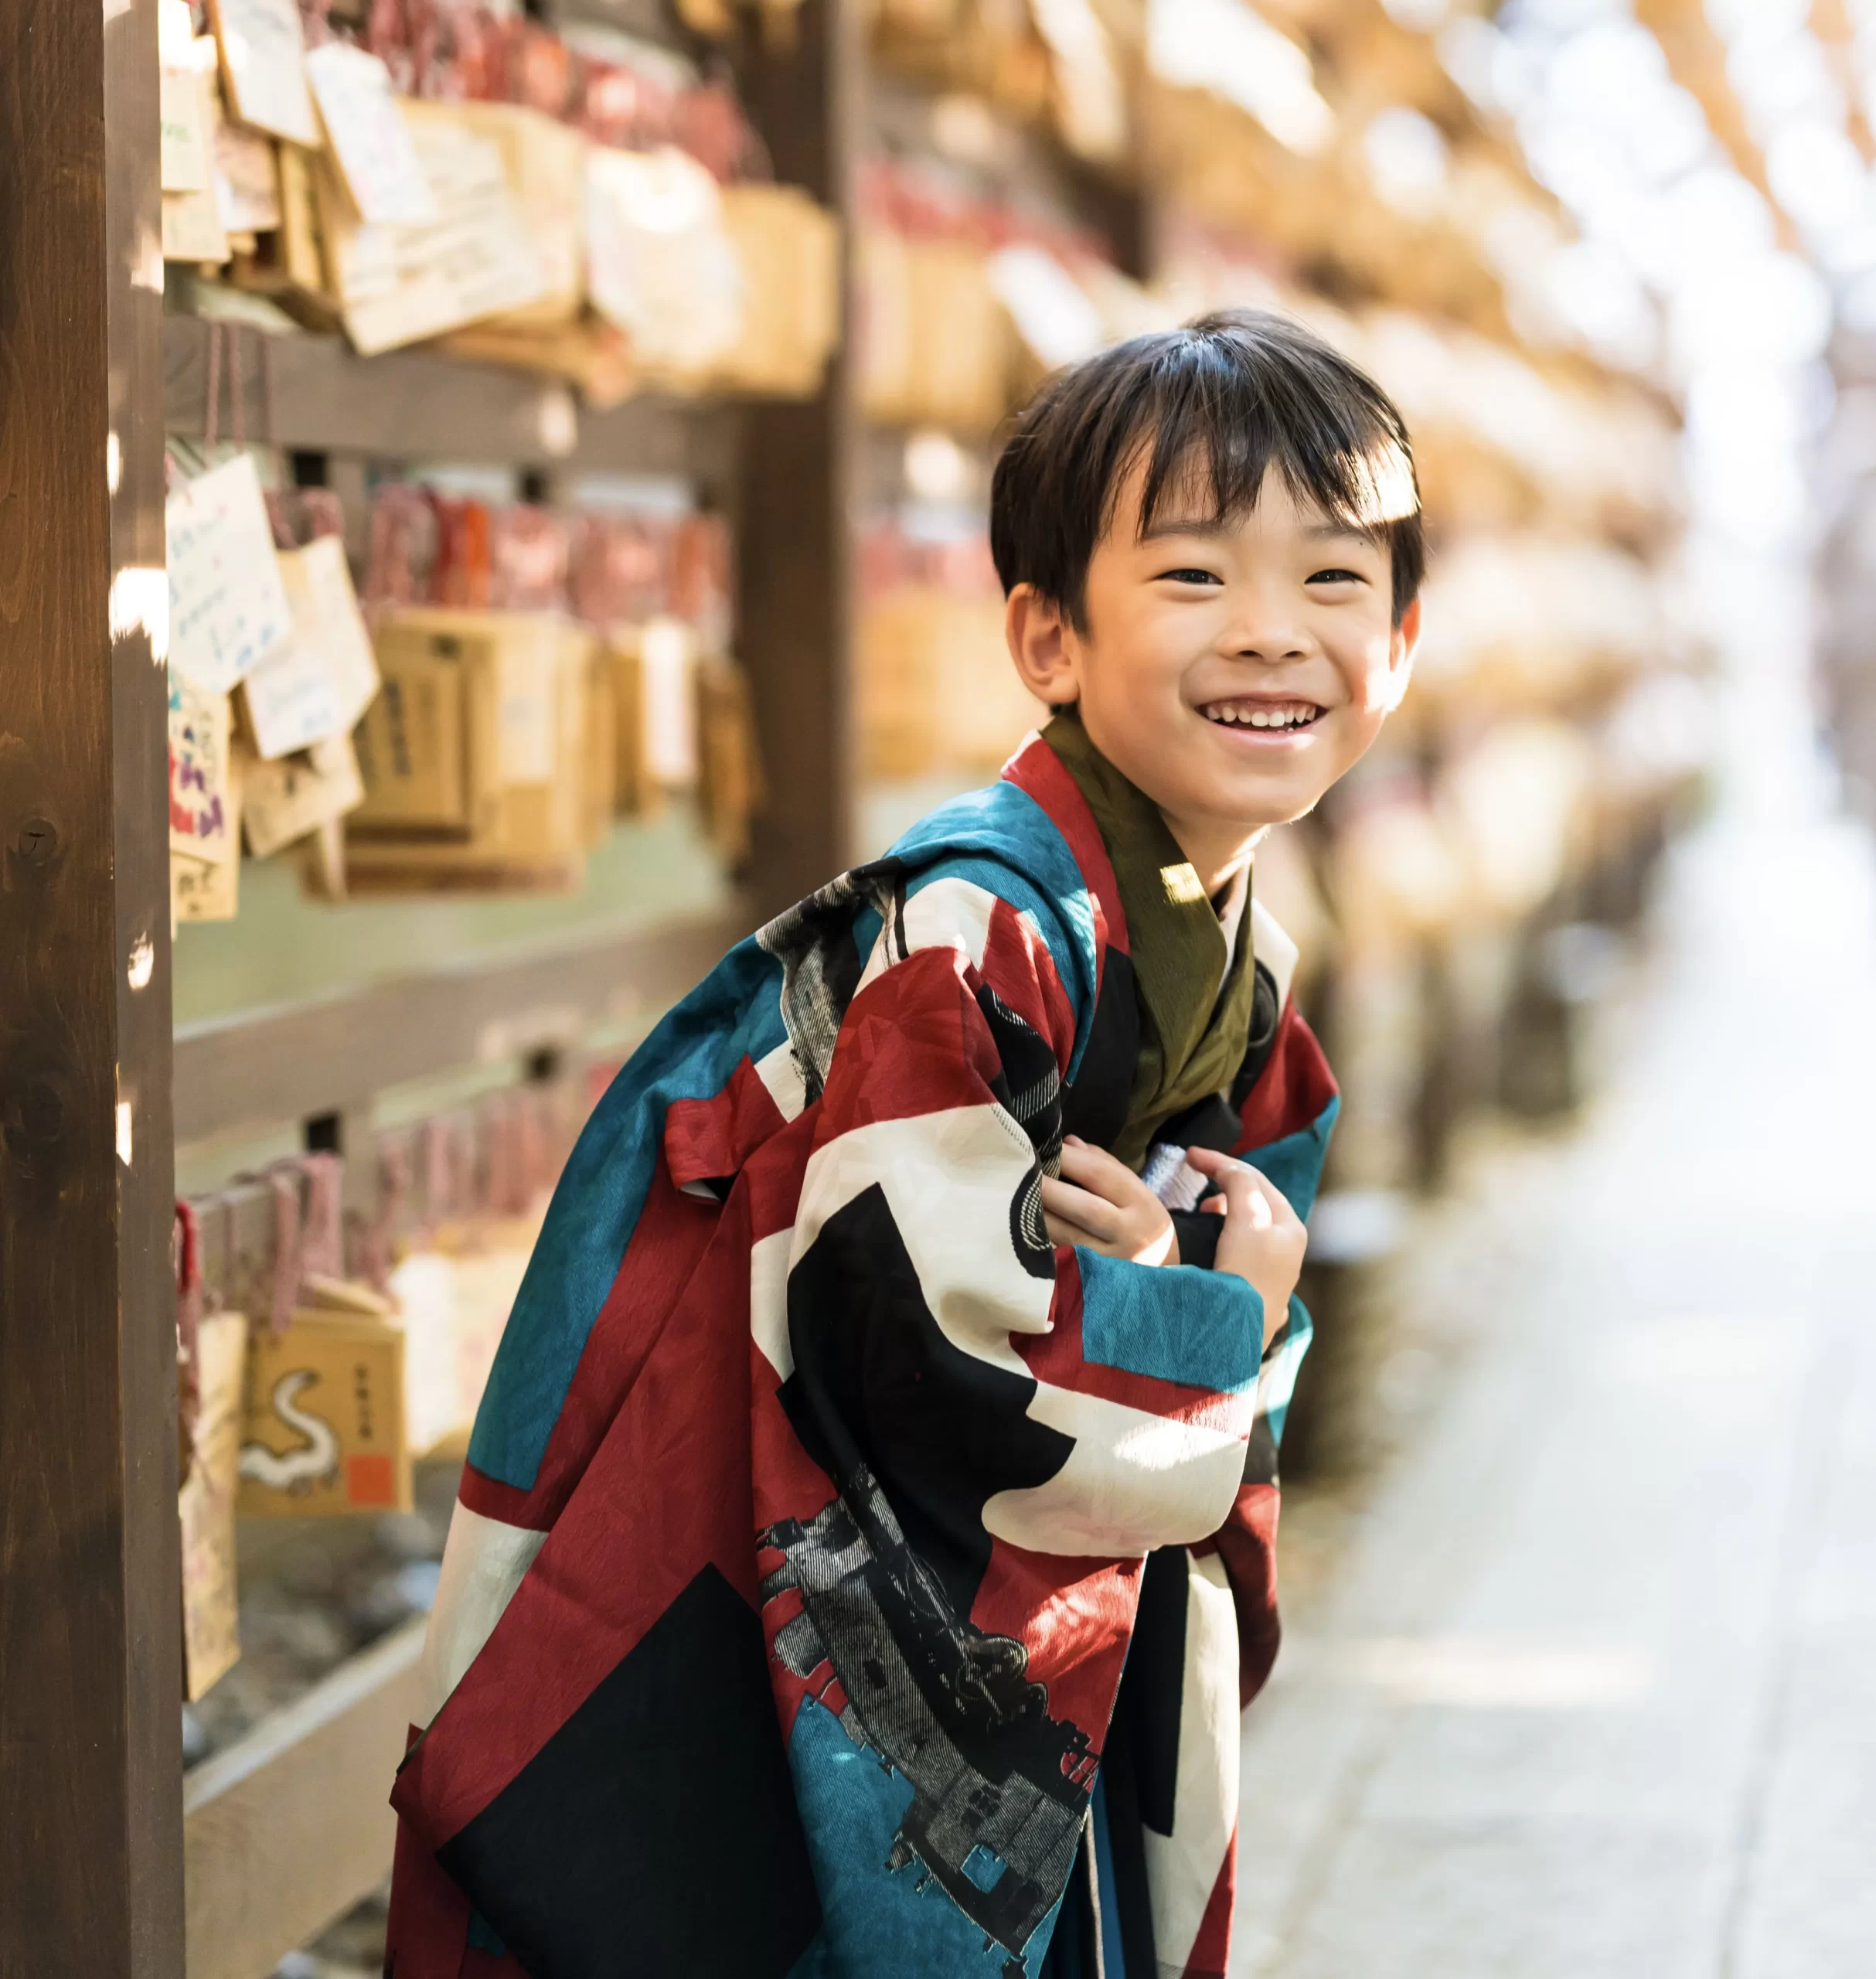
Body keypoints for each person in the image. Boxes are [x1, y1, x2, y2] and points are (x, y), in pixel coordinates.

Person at [384, 309, 1424, 1979]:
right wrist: (1201, 1311)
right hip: (782, 1573)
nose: (1270, 632)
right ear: (1046, 637)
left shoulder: (1231, 957)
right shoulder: (974, 932)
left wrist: (1201, 1302)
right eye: (1191, 576)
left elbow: (1206, 1302)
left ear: (1401, 639)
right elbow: (924, 1347)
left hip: (1033, 1598)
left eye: (1331, 580)